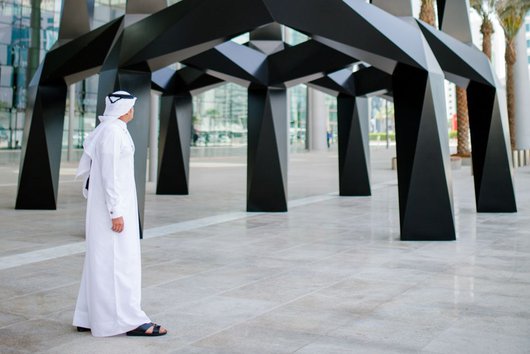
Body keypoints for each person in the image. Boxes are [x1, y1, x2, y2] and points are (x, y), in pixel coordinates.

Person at [73, 91, 167, 337]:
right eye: (132, 107)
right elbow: (110, 175)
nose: (133, 111)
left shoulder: (110, 129)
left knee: (102, 261)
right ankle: (128, 320)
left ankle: (89, 316)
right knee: (119, 263)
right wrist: (116, 212)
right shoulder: (113, 132)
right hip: (112, 210)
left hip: (111, 207)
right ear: (126, 109)